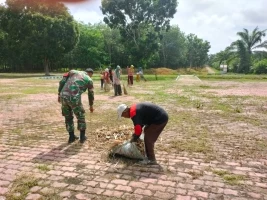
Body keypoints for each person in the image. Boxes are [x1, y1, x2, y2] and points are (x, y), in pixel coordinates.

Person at [58, 68, 94, 144]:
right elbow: (91, 94)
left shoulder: (73, 72)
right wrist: (91, 105)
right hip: (73, 97)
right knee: (80, 116)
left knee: (68, 117)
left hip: (63, 96)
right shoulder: (89, 79)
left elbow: (62, 81)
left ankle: (71, 137)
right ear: (90, 73)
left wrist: (59, 94)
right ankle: (82, 137)